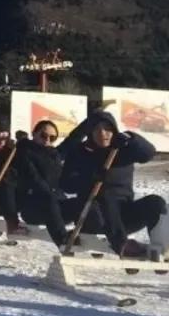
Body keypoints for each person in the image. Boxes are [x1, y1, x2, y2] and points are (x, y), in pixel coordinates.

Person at [59, 109, 165, 258]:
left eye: (107, 129)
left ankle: (162, 246)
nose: (103, 133)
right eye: (97, 129)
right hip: (92, 215)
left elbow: (148, 153)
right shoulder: (80, 152)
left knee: (156, 202)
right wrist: (91, 178)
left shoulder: (123, 149)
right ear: (90, 132)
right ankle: (121, 245)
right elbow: (65, 184)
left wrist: (131, 138)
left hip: (123, 215)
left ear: (114, 130)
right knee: (105, 196)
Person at [17, 118, 69, 247]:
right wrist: (52, 194)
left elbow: (74, 138)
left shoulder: (55, 154)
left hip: (56, 206)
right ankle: (63, 242)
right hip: (33, 208)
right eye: (43, 135)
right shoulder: (25, 152)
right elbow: (35, 179)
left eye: (52, 138)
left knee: (84, 203)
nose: (47, 140)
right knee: (50, 198)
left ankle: (93, 237)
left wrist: (94, 119)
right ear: (34, 134)